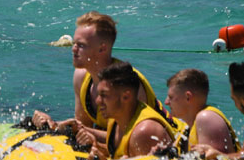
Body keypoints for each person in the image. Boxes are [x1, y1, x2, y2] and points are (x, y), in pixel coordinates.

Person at [31, 11, 160, 145]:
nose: (73, 49)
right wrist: (52, 125)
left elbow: (129, 139)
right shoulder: (81, 76)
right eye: (74, 43)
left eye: (80, 45)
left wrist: (68, 127)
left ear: (102, 49)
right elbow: (82, 127)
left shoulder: (125, 84)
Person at [76, 61, 185, 160]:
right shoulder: (115, 118)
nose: (98, 101)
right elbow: (119, 149)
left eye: (104, 95)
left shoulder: (144, 132)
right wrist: (91, 140)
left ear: (126, 97)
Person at [153, 67, 238, 158]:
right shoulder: (186, 130)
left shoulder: (206, 118)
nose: (166, 102)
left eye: (171, 97)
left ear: (188, 97)